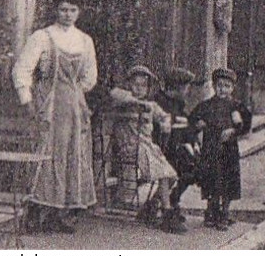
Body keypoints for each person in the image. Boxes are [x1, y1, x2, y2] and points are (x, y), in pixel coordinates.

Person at [11, 0, 98, 234]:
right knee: (45, 153)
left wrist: (75, 93)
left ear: (79, 12)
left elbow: (90, 77)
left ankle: (60, 213)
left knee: (71, 156)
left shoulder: (84, 40)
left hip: (73, 107)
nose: (68, 14)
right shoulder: (42, 36)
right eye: (63, 9)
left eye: (73, 10)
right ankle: (34, 213)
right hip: (48, 105)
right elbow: (21, 70)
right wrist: (27, 101)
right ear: (55, 10)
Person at [106, 66, 182, 232]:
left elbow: (164, 115)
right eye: (135, 84)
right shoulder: (123, 100)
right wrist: (138, 103)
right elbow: (114, 93)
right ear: (129, 84)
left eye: (143, 86)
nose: (138, 89)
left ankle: (151, 206)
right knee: (163, 173)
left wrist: (165, 122)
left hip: (147, 147)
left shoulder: (151, 105)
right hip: (130, 146)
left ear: (148, 88)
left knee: (171, 176)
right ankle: (167, 212)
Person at [188, 68, 251, 230]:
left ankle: (225, 212)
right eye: (220, 85)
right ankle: (211, 210)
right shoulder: (206, 106)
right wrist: (198, 125)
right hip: (210, 149)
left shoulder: (236, 106)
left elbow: (245, 125)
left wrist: (234, 130)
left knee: (228, 180)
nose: (223, 89)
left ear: (233, 88)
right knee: (211, 179)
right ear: (214, 86)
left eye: (227, 86)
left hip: (228, 150)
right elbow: (192, 121)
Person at [152, 67, 198, 231]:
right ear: (177, 87)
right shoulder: (159, 101)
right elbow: (164, 124)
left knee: (196, 168)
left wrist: (193, 143)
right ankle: (165, 211)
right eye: (186, 87)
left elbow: (187, 125)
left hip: (174, 147)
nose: (188, 90)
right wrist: (180, 123)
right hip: (160, 148)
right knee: (173, 169)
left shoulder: (179, 103)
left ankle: (171, 200)